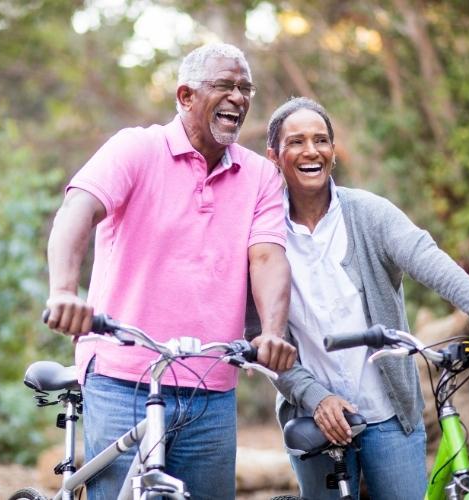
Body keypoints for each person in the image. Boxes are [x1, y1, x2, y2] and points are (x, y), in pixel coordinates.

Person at [44, 43, 297, 500]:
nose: (238, 98)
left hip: (212, 382)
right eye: (224, 86)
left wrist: (273, 333)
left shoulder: (260, 175)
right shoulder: (136, 149)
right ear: (185, 96)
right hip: (124, 377)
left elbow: (267, 257)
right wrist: (64, 291)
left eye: (246, 88)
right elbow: (76, 211)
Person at [263, 97, 469, 500]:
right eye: (296, 142)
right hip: (313, 413)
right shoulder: (263, 233)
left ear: (332, 151)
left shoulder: (369, 214)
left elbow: (428, 260)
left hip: (388, 414)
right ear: (273, 155)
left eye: (321, 140)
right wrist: (315, 397)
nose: (311, 150)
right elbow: (262, 337)